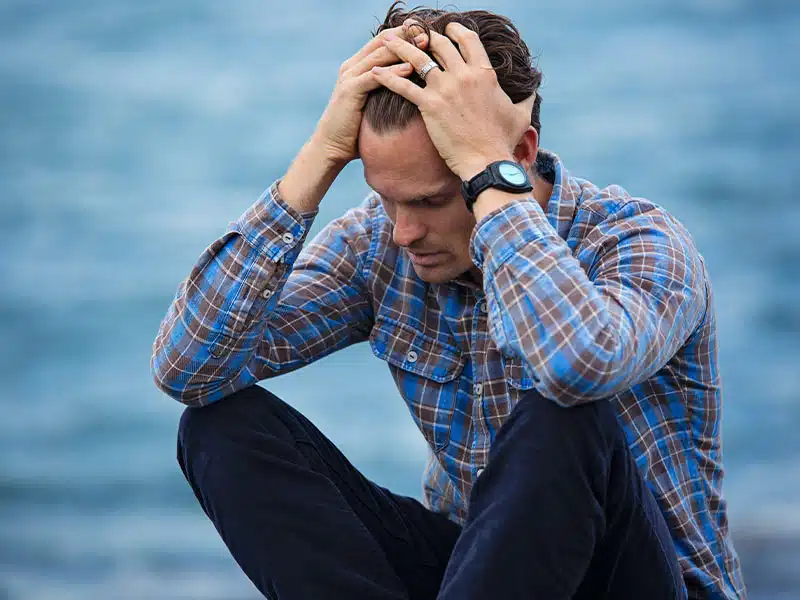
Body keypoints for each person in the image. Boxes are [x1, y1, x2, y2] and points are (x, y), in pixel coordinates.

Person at [151, 3, 747, 598]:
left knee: (562, 414)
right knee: (219, 427)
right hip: (478, 573)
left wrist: (490, 179)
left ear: (517, 154)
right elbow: (189, 370)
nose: (404, 231)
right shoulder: (379, 246)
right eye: (387, 199)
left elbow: (576, 365)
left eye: (432, 201)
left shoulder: (638, 243)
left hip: (638, 580)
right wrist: (319, 157)